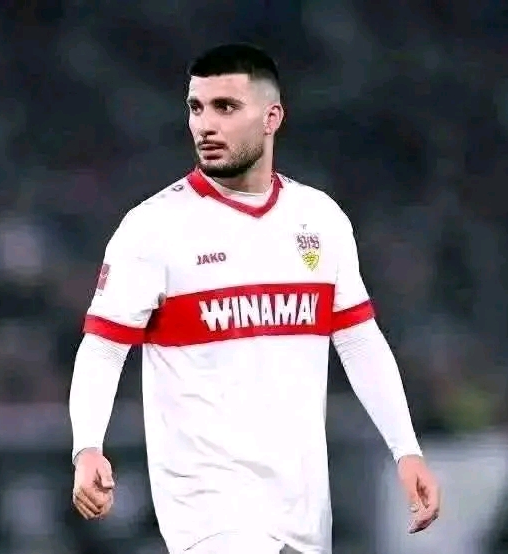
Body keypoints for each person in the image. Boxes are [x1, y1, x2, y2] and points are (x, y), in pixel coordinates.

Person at [69, 43, 440, 554]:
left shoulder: (319, 218)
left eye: (225, 107)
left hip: (303, 504)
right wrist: (87, 446)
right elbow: (103, 348)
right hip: (208, 505)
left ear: (272, 118)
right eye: (196, 107)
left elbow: (359, 342)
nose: (205, 125)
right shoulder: (153, 228)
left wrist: (406, 450)